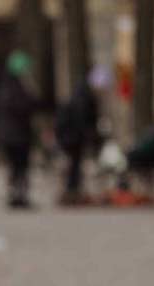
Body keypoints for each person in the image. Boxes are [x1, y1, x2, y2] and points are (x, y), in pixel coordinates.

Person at [55, 65, 109, 205]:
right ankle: (71, 192)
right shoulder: (84, 97)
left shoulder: (82, 93)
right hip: (71, 135)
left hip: (70, 134)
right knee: (74, 165)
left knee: (74, 165)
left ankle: (72, 191)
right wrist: (92, 137)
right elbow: (83, 120)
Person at [0, 50, 39, 208]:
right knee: (20, 167)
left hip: (11, 135)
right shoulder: (18, 88)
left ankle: (16, 195)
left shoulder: (5, 86)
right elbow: (28, 106)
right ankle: (19, 196)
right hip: (18, 136)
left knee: (15, 167)